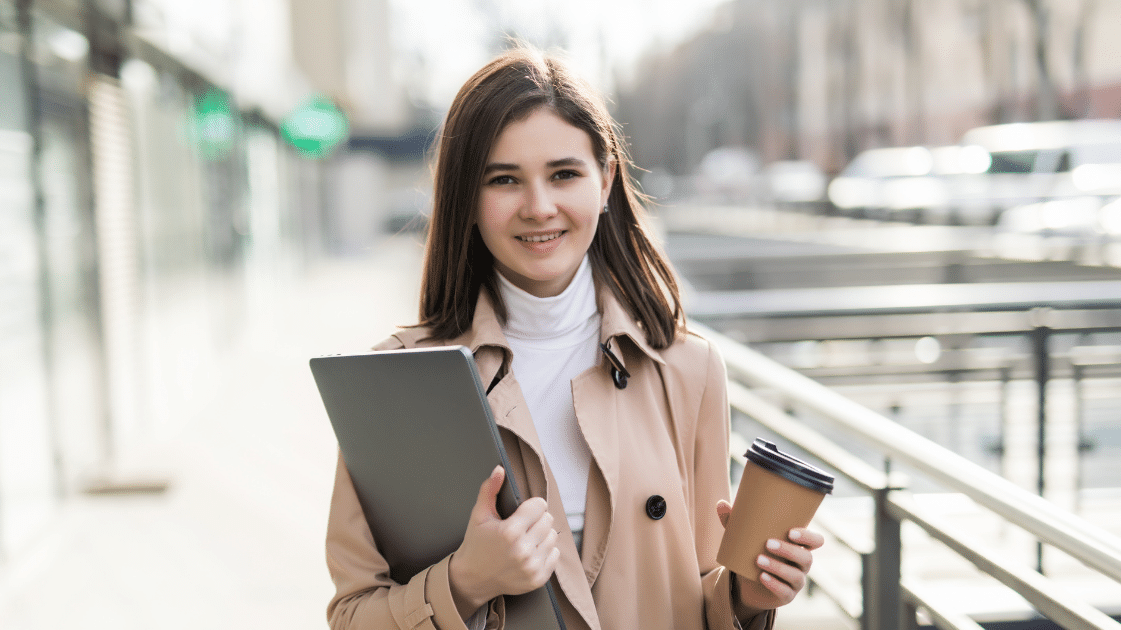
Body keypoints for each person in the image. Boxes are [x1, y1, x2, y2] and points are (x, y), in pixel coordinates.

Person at [323, 46, 824, 630]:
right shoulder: (396, 383)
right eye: (504, 180)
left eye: (564, 174)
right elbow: (353, 615)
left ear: (606, 179)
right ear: (468, 200)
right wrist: (466, 581)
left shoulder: (688, 368)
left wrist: (750, 596)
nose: (539, 207)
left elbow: (703, 589)